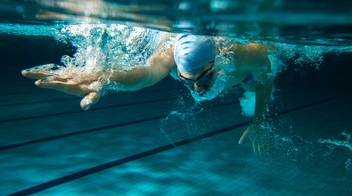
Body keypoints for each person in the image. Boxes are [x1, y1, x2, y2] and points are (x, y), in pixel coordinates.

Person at [22, 33, 273, 153]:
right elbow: (142, 77)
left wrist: (259, 121)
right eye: (187, 81)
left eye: (205, 77)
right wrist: (105, 79)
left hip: (246, 76)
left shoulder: (248, 53)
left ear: (218, 60)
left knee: (251, 84)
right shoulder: (168, 56)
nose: (197, 88)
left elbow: (266, 80)